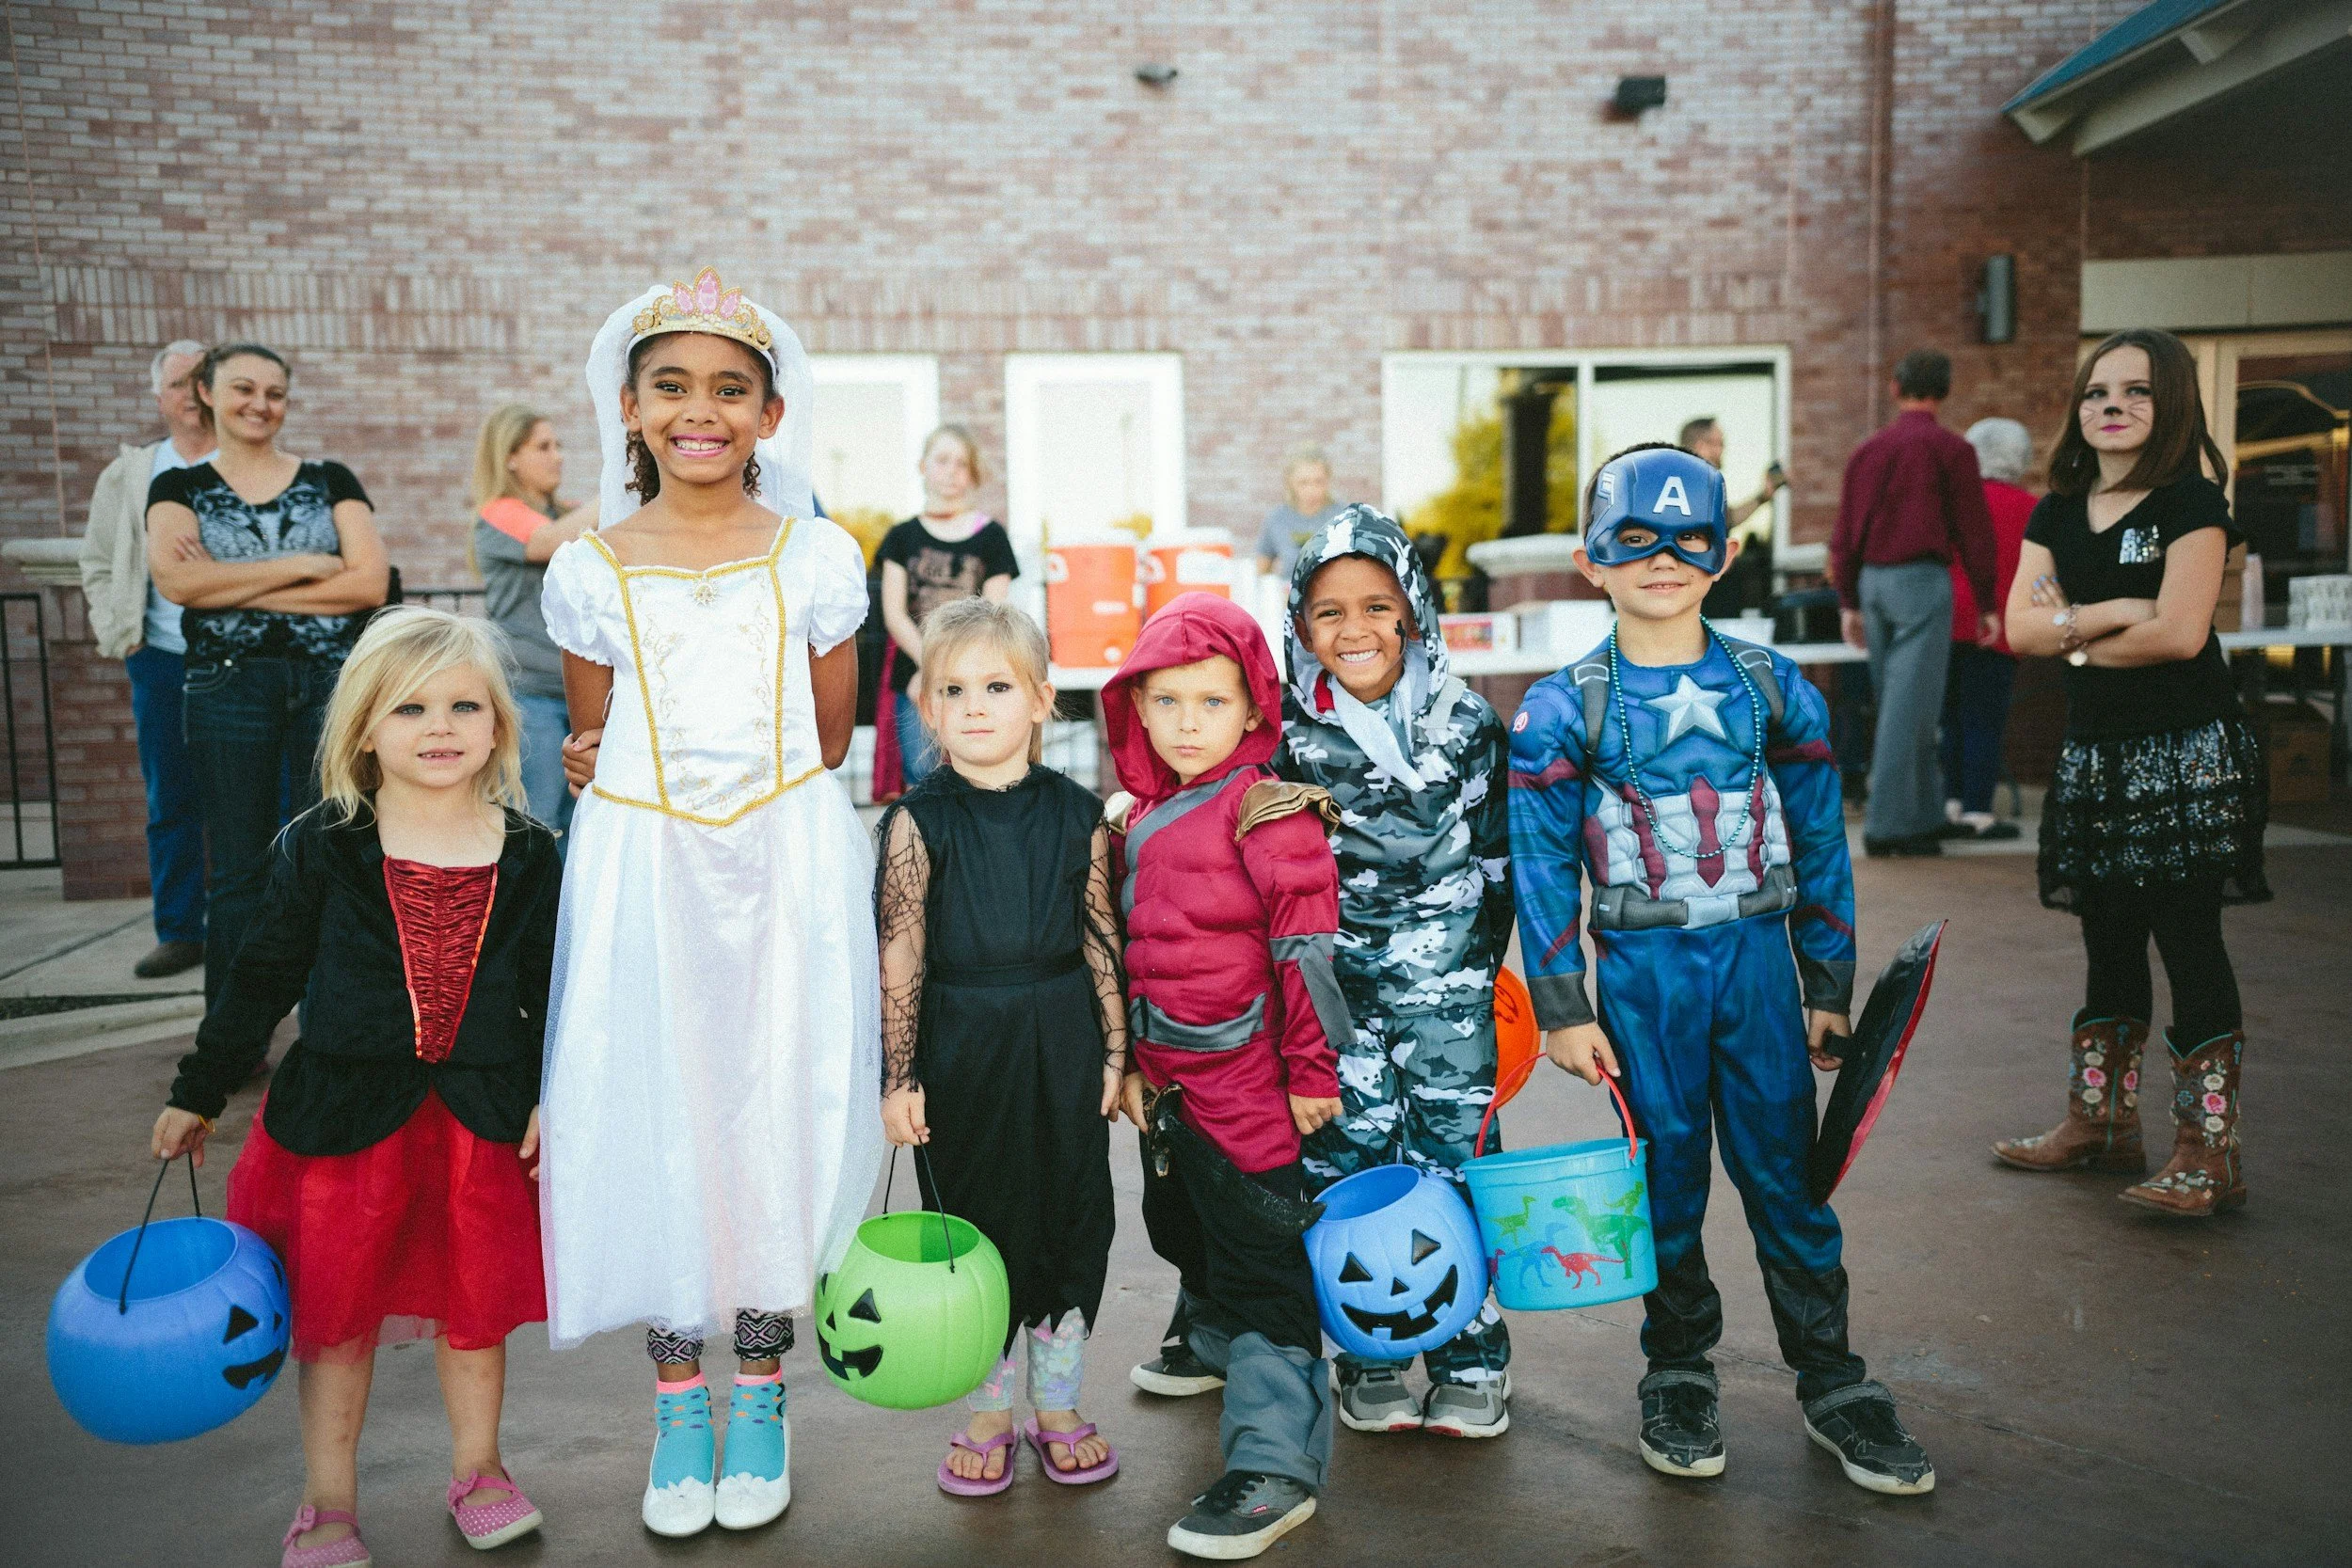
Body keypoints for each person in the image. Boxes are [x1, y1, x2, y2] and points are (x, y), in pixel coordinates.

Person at [1510, 444, 1935, 1497]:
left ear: (1726, 551)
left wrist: (1826, 983)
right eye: (1633, 538)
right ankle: (1678, 1366)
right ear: (1588, 560)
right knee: (1663, 1183)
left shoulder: (1770, 687)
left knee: (1787, 1178)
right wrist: (1561, 1005)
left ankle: (1831, 1376)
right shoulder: (1561, 709)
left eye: (1687, 537)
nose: (1662, 557)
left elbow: (1821, 842)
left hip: (1754, 967)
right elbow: (1539, 860)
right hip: (1644, 976)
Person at [535, 268, 884, 1538]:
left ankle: (760, 1383)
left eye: (730, 390)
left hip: (782, 869)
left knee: (770, 1109)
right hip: (647, 876)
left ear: (769, 415)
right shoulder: (588, 569)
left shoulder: (819, 558)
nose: (701, 411)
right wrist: (596, 767)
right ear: (630, 407)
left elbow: (831, 731)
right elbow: (594, 731)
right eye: (672, 387)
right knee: (660, 1109)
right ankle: (679, 1401)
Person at [151, 607, 560, 1565]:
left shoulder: (534, 850)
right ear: (364, 727)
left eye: (465, 704)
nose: (440, 726)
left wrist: (552, 1091)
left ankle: (481, 1470)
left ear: (498, 722)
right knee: (336, 1319)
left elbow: (553, 991)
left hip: (482, 1120)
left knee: (474, 1308)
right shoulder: (324, 841)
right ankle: (327, 1499)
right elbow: (262, 974)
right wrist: (198, 1088)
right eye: (410, 707)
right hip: (344, 1125)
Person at [1993, 328, 2267, 1220]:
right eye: (2096, 391)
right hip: (2097, 755)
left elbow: (2182, 634)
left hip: (2185, 753)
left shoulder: (2193, 504)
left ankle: (2206, 1150)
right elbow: (2022, 631)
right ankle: (2103, 1125)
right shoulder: (2057, 512)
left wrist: (2072, 633)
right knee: (2106, 935)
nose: (2111, 405)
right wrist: (2112, 614)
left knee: (2187, 937)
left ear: (2172, 403)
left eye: (2136, 391)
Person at [1104, 591, 1349, 1560]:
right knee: (1185, 1223)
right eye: (1166, 703)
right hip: (1171, 1087)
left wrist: (1309, 1069)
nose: (1187, 724)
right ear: (1137, 709)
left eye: (1210, 702)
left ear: (1253, 708)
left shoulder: (1268, 810)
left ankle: (1275, 1461)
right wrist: (1130, 1067)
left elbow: (1307, 953)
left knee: (1258, 1262)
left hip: (1251, 1083)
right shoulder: (1149, 811)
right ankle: (1208, 1341)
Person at [874, 597, 1129, 1495]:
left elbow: (1102, 932)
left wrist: (1116, 1052)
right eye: (954, 688)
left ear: (1041, 699)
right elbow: (900, 951)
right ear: (928, 708)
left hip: (1059, 1036)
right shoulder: (917, 820)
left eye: (997, 685)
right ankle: (988, 1408)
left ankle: (1056, 1404)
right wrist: (898, 1074)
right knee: (971, 1220)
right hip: (961, 1044)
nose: (976, 704)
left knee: (1070, 1213)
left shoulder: (1079, 813)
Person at [1273, 504, 1517, 1437]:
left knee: (1455, 1161)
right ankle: (1368, 1351)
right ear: (1298, 623)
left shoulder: (1464, 722)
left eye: (1377, 605)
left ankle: (1472, 1355)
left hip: (1446, 996)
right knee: (1347, 1158)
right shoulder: (1285, 731)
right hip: (1330, 1003)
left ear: (1413, 607)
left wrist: (1467, 976)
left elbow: (1498, 864)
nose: (1356, 629)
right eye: (1329, 612)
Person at [146, 342, 389, 1001]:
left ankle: (329, 1028)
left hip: (327, 685)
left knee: (329, 854)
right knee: (238, 869)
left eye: (275, 393)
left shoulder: (332, 477)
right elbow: (175, 581)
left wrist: (226, 585)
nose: (261, 404)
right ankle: (234, 1034)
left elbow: (368, 582)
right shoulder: (178, 487)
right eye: (243, 389)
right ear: (206, 394)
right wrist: (305, 565)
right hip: (228, 686)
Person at [76, 340, 215, 979]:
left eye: (204, 379)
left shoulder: (240, 461)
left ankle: (261, 929)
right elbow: (98, 560)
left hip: (238, 660)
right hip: (159, 658)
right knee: (171, 796)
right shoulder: (133, 472)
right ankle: (182, 930)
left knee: (263, 795)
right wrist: (120, 632)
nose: (193, 393)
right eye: (180, 382)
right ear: (159, 397)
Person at [1830, 349, 2000, 858]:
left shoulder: (1867, 451)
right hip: (1922, 581)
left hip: (1874, 584)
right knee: (1911, 710)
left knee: (1905, 705)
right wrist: (1988, 601)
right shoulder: (1953, 450)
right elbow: (1975, 531)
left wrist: (1848, 600)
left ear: (1894, 388)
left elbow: (1844, 532)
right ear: (1944, 391)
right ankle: (1887, 827)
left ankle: (1922, 818)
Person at [469, 404, 597, 837]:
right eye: (543, 446)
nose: (557, 455)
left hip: (583, 693)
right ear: (510, 457)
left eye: (558, 445)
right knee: (535, 823)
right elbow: (545, 542)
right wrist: (615, 489)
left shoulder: (570, 512)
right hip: (529, 696)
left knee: (583, 823)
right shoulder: (500, 512)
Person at [873, 425, 1017, 797]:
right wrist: (932, 669)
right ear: (923, 466)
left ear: (973, 475)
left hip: (977, 676)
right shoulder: (901, 537)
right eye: (942, 460)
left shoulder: (992, 537)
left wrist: (954, 673)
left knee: (979, 777)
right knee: (924, 777)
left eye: (962, 464)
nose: (952, 470)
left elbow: (993, 614)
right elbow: (895, 614)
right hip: (916, 675)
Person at [1938, 418, 2035, 841]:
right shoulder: (2032, 508)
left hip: (1946, 622)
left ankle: (1950, 803)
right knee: (1984, 721)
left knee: (1951, 719)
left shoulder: (1953, 502)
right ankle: (1978, 811)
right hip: (1997, 624)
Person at [1253, 446, 1344, 582]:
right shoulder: (1277, 519)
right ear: (1290, 483)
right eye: (1303, 483)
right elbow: (1262, 570)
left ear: (1328, 480)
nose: (1311, 489)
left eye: (1318, 481)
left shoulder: (1344, 517)